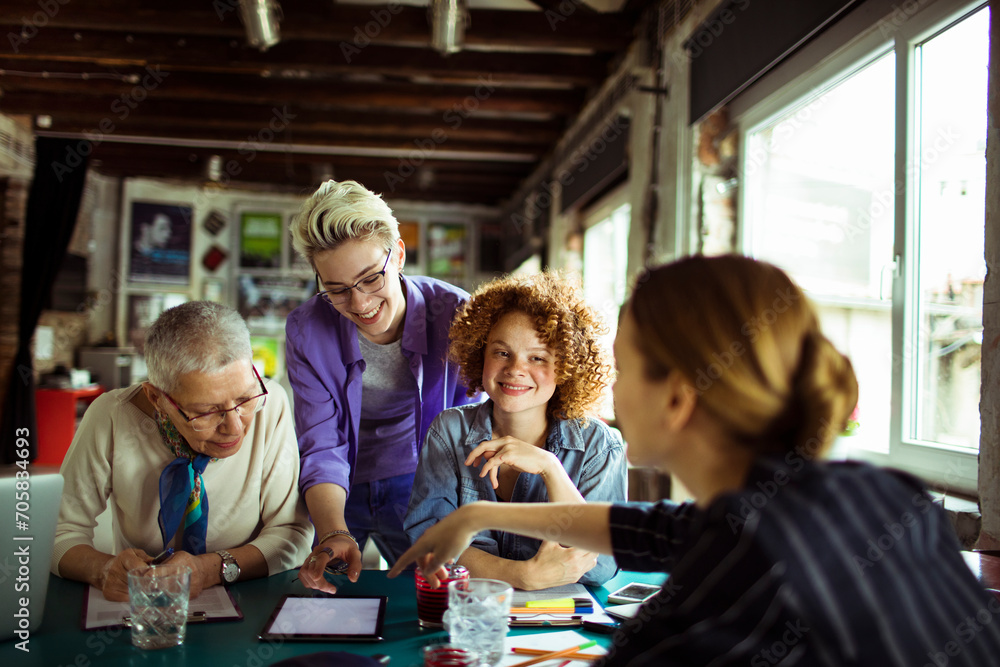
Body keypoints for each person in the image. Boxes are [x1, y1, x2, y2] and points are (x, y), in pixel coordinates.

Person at [390, 255, 1000, 666]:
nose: (611, 394)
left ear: (678, 397)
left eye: (625, 372)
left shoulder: (715, 601)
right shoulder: (881, 491)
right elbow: (650, 527)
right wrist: (475, 518)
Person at [286, 179, 480, 594]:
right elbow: (322, 441)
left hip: (422, 480)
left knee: (432, 596)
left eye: (371, 278)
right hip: (336, 485)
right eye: (336, 290)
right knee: (320, 596)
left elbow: (470, 431)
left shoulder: (458, 315)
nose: (359, 304)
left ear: (400, 255)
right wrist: (332, 532)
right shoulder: (307, 328)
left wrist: (447, 519)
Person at [52, 302, 313, 601]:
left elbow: (292, 532)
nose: (234, 427)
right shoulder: (112, 416)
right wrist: (104, 569)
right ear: (156, 397)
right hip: (144, 605)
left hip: (249, 596)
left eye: (244, 398)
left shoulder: (272, 404)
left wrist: (210, 570)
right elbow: (59, 531)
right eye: (206, 411)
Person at [404, 272, 626, 589]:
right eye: (502, 352)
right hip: (472, 610)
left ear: (566, 369)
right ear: (480, 353)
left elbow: (601, 565)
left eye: (537, 357)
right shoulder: (449, 431)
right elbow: (427, 542)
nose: (515, 369)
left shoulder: (600, 446)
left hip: (562, 624)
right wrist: (522, 576)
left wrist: (552, 469)